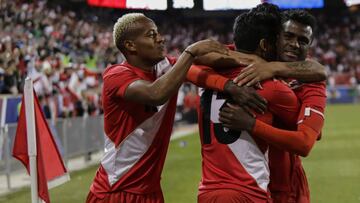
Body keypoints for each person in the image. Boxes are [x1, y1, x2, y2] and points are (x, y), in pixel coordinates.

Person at [86, 13, 229, 203]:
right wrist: (190, 53)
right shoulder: (116, 75)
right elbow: (156, 94)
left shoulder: (165, 68)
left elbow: (212, 60)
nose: (160, 38)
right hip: (116, 191)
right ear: (130, 45)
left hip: (151, 192)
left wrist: (268, 65)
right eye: (151, 34)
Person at [187, 4, 302, 202]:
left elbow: (183, 64)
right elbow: (307, 135)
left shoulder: (205, 73)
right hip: (248, 192)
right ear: (266, 45)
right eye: (278, 41)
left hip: (208, 192)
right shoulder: (273, 87)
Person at [220, 10, 327, 203]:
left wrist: (252, 124)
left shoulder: (312, 81)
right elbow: (193, 63)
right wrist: (226, 86)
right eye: (288, 36)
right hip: (245, 183)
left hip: (285, 188)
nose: (294, 44)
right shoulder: (251, 57)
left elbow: (305, 143)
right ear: (275, 37)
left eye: (303, 40)